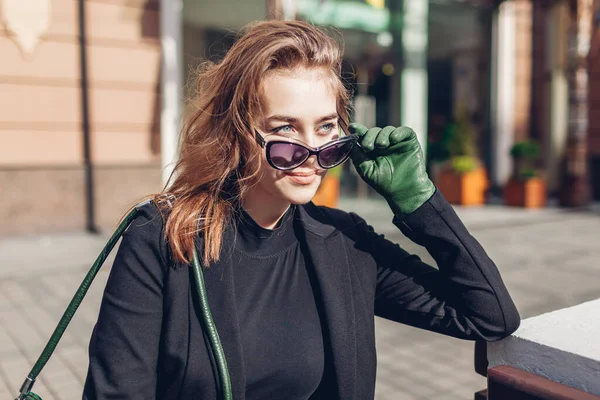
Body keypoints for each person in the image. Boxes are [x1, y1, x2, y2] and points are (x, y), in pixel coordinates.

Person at [83, 20, 520, 400]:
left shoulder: (345, 242)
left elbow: (488, 315)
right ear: (237, 134)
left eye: (326, 127)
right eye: (285, 128)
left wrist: (418, 201)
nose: (312, 152)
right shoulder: (163, 240)